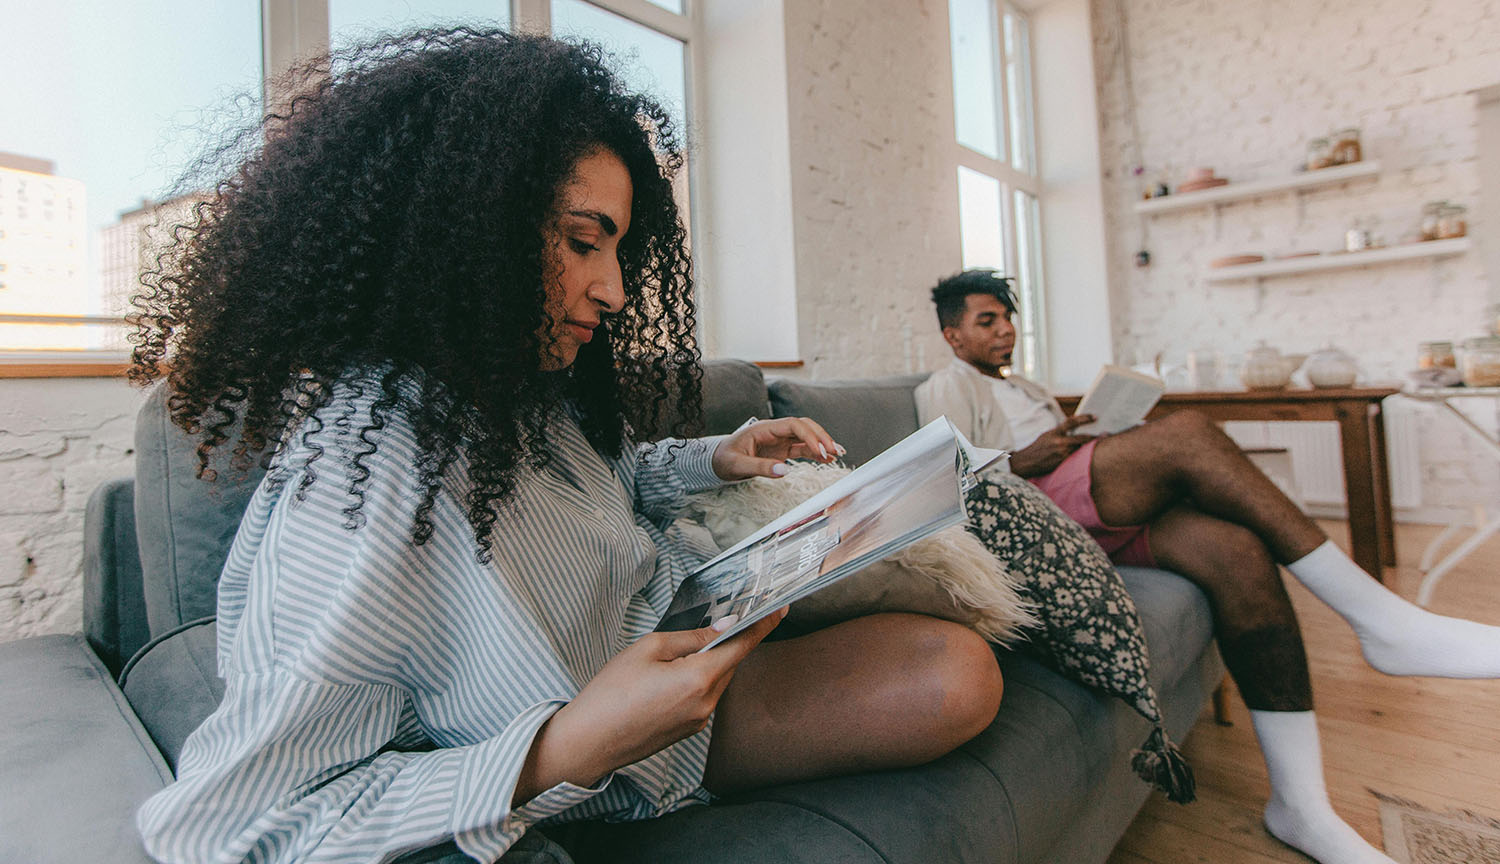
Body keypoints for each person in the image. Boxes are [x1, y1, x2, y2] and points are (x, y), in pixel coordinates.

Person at [129, 30, 1004, 863]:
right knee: (952, 675)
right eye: (583, 242)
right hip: (631, 729)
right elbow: (225, 828)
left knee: (935, 580)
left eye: (618, 248)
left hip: (680, 611)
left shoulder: (512, 390)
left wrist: (716, 454)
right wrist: (568, 745)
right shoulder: (368, 475)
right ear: (460, 233)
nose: (615, 288)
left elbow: (606, 480)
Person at [915, 269, 1500, 864]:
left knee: (1238, 551)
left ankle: (1303, 809)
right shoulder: (946, 385)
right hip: (1035, 510)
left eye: (1009, 318)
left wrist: (1086, 436)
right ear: (952, 335)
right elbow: (951, 485)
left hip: (1087, 502)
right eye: (986, 320)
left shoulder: (1030, 388)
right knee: (1191, 432)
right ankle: (1384, 620)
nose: (1005, 330)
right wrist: (1027, 455)